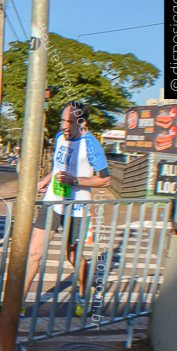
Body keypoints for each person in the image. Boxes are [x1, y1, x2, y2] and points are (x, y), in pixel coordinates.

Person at [22, 102, 110, 314]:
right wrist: (43, 182)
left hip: (76, 208)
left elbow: (105, 180)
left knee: (72, 255)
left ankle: (83, 295)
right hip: (53, 202)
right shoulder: (61, 138)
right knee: (34, 252)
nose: (63, 125)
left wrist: (76, 180)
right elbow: (57, 168)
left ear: (82, 123)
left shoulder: (91, 145)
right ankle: (17, 303)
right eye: (62, 119)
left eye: (68, 121)